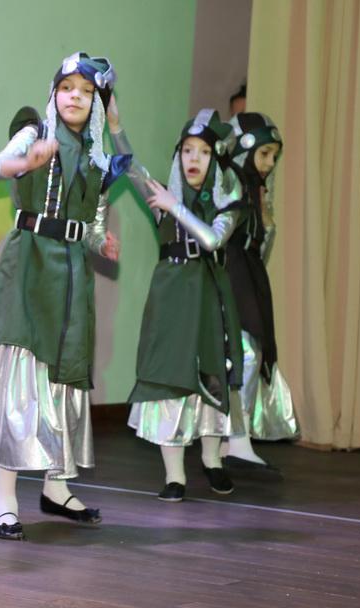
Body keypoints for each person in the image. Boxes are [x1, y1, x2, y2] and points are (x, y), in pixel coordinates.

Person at [0, 52, 127, 540]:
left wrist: (101, 242)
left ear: (98, 103)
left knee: (64, 382)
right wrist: (25, 162)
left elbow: (92, 221)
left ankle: (57, 488)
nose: (75, 96)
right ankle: (4, 503)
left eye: (86, 91)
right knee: (20, 381)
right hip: (29, 267)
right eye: (67, 87)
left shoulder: (97, 158)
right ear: (54, 93)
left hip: (72, 274)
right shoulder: (34, 131)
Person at [111, 104, 247, 502]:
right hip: (170, 296)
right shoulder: (162, 193)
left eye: (203, 152)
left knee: (211, 374)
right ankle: (175, 476)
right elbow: (131, 167)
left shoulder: (228, 200)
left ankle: (212, 461)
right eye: (187, 150)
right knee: (167, 378)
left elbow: (213, 240)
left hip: (209, 294)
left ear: (214, 159)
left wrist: (175, 207)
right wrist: (116, 126)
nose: (194, 159)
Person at [221, 112, 297, 470]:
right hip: (230, 271)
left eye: (273, 157)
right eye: (264, 154)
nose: (268, 163)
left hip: (250, 273)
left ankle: (235, 438)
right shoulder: (228, 184)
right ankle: (234, 438)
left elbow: (260, 247)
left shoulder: (256, 190)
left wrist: (268, 222)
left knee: (254, 350)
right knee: (246, 352)